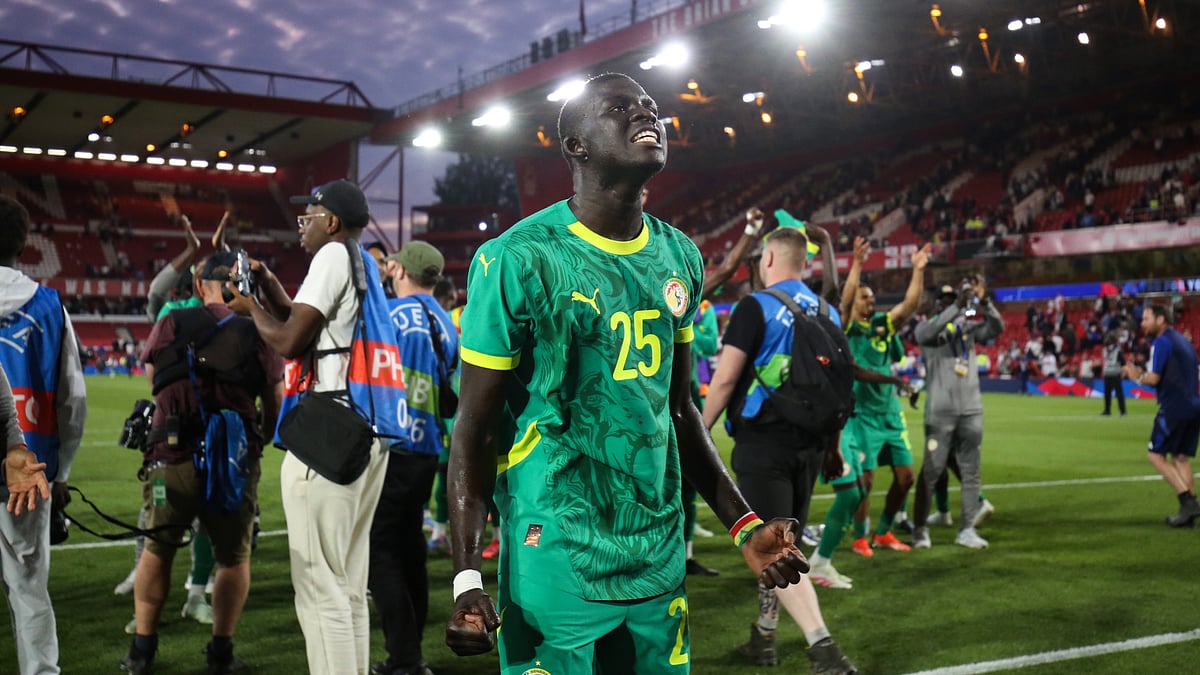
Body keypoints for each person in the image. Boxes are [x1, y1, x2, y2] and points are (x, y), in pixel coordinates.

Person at [444, 73, 809, 674]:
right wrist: (465, 579)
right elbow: (475, 429)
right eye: (620, 108)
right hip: (557, 544)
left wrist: (744, 524)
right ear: (576, 146)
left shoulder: (680, 256)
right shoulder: (516, 257)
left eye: (651, 106)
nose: (648, 114)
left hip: (656, 546)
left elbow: (680, 409)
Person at [227, 179, 406, 675]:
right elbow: (308, 323)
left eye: (308, 217)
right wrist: (267, 288)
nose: (301, 227)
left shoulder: (330, 256)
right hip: (366, 432)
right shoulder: (361, 259)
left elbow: (287, 340)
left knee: (318, 586)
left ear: (330, 222)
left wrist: (248, 308)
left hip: (327, 436)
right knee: (347, 586)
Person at [120, 252, 284, 674]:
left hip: (169, 456)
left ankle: (142, 650)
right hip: (231, 461)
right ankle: (220, 655)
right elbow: (275, 402)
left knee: (157, 551)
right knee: (233, 558)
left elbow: (156, 383)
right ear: (239, 285)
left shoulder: (172, 322)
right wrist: (257, 442)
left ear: (198, 285)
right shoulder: (255, 330)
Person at [703, 224, 857, 669]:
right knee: (783, 545)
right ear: (803, 261)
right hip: (811, 446)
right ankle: (764, 636)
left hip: (763, 445)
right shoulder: (827, 309)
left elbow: (727, 379)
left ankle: (823, 647)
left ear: (768, 259)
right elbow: (840, 386)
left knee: (773, 549)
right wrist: (834, 445)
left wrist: (700, 433)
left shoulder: (756, 306)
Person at [0, 194, 87, 675]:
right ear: (22, 244)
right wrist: (62, 472)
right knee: (29, 590)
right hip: (29, 469)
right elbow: (72, 399)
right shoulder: (49, 306)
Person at [369, 241, 459, 675]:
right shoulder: (446, 324)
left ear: (400, 271)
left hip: (392, 446)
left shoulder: (389, 314)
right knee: (410, 552)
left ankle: (404, 658)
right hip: (427, 450)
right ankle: (412, 654)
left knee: (379, 553)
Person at [829, 239, 929, 564]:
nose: (871, 302)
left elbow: (909, 306)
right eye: (865, 297)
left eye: (873, 298)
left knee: (906, 477)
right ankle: (860, 537)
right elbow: (845, 300)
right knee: (867, 481)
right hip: (862, 417)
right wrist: (857, 265)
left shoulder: (881, 327)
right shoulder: (846, 330)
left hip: (890, 414)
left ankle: (884, 531)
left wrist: (917, 270)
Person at [911, 279, 1003, 550]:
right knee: (931, 470)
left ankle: (966, 530)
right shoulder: (926, 328)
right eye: (947, 301)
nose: (953, 304)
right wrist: (956, 309)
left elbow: (997, 327)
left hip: (972, 409)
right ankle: (919, 530)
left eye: (956, 300)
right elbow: (925, 335)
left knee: (971, 472)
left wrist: (984, 303)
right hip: (940, 412)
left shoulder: (969, 329)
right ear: (940, 304)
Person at [1120, 305, 1200, 527]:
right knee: (1180, 457)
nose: (1143, 323)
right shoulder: (1183, 341)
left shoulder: (1162, 342)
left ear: (1161, 319)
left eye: (1146, 319)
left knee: (1155, 456)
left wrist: (1136, 375)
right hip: (1194, 405)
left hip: (1174, 407)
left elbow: (1154, 379)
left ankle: (1188, 501)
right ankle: (1188, 516)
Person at [1101, 330, 1127, 416]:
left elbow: (1123, 362)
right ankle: (1119, 411)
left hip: (1112, 373)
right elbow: (1123, 362)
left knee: (1115, 393)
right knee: (1113, 393)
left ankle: (1112, 410)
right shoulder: (1116, 350)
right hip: (1112, 373)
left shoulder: (1113, 350)